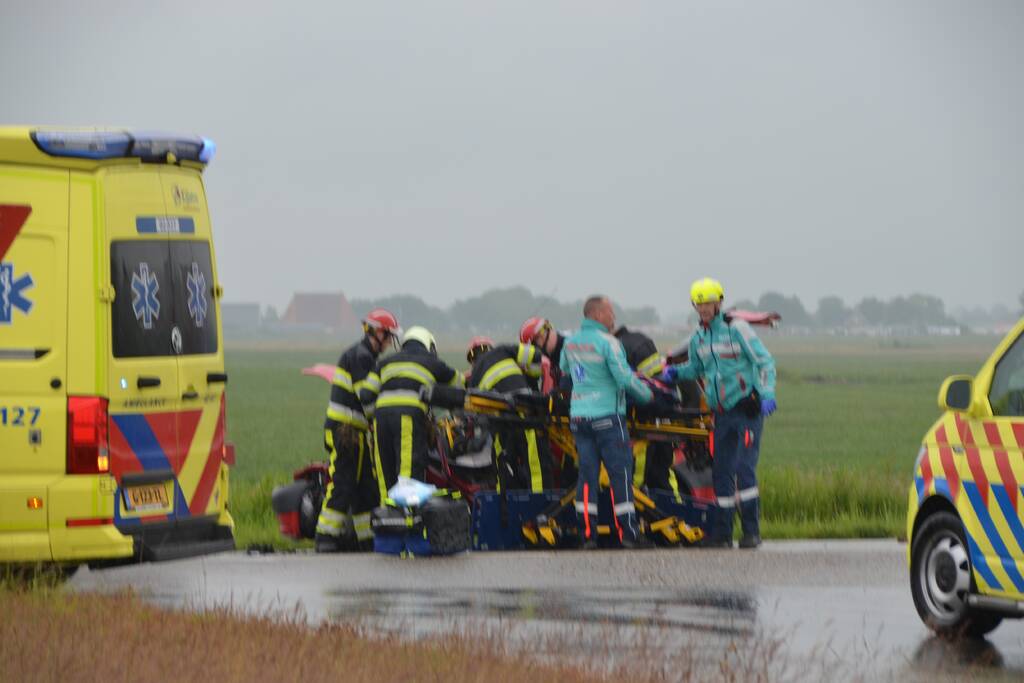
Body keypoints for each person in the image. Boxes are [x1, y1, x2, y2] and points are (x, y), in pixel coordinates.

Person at [660, 277, 777, 549]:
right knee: (722, 472)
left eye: (708, 304)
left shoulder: (737, 329)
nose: (703, 309)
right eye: (698, 305)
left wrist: (767, 393)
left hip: (746, 409)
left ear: (719, 302)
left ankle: (751, 532)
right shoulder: (699, 337)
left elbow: (765, 361)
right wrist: (676, 373)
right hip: (721, 413)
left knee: (744, 470)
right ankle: (722, 533)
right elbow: (696, 369)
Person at [560, 296, 653, 549]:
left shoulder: (570, 343)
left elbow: (565, 370)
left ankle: (587, 534)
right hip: (607, 418)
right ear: (598, 314)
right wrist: (647, 395)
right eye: (611, 312)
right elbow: (624, 378)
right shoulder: (609, 343)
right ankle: (630, 534)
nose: (614, 317)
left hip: (579, 418)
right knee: (619, 475)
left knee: (587, 476)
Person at [315, 308, 401, 553]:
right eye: (389, 335)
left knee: (366, 490)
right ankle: (325, 536)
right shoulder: (361, 357)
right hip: (345, 432)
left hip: (356, 433)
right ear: (378, 332)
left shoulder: (365, 356)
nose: (390, 341)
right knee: (342, 483)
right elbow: (368, 400)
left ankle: (367, 539)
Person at [360, 326, 463, 497]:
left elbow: (365, 394)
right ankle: (408, 520)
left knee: (386, 473)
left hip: (381, 420)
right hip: (407, 417)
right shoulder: (433, 362)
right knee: (407, 473)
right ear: (429, 345)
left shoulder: (384, 363)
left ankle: (387, 518)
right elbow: (460, 383)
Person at [466, 336, 553, 492]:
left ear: (472, 360)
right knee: (535, 462)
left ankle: (504, 506)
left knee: (503, 466)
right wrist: (530, 374)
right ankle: (541, 504)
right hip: (525, 412)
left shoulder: (473, 378)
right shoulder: (503, 350)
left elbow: (476, 413)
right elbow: (536, 354)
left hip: (501, 423)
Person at [613, 325, 681, 501]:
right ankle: (679, 518)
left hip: (642, 427)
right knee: (664, 478)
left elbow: (640, 390)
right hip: (662, 421)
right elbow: (660, 385)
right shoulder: (641, 341)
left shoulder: (617, 348)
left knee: (637, 482)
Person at [520, 316, 566, 389]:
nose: (535, 350)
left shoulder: (572, 351)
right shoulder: (547, 359)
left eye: (534, 346)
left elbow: (581, 380)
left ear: (541, 336)